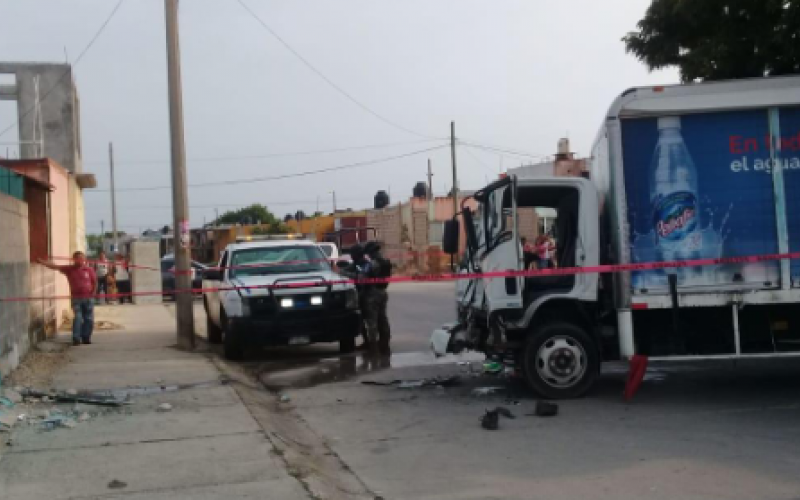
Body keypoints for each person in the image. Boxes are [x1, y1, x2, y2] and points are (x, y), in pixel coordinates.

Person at [38, 251, 97, 346]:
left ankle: (86, 337)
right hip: (76, 298)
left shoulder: (89, 270)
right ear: (74, 259)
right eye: (78, 258)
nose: (81, 260)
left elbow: (94, 282)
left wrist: (93, 294)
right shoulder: (69, 269)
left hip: (88, 298)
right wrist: (42, 262)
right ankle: (76, 338)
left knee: (89, 318)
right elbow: (55, 267)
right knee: (78, 317)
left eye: (82, 258)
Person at [364, 241, 391, 355]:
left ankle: (373, 349)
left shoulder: (373, 263)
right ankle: (385, 345)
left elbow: (364, 276)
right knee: (383, 319)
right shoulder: (385, 262)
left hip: (373, 293)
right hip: (383, 292)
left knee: (372, 322)